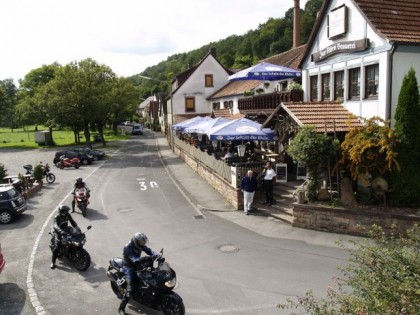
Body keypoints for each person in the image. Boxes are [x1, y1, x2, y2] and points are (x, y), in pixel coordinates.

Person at [118, 232, 158, 315]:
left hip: (137, 263)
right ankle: (121, 308)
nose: (143, 244)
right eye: (141, 243)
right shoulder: (128, 247)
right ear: (137, 241)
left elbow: (148, 250)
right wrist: (147, 258)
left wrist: (156, 255)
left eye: (143, 243)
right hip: (129, 266)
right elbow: (134, 259)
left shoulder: (139, 245)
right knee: (131, 289)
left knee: (151, 273)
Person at [50, 205, 78, 269]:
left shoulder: (68, 215)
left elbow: (72, 222)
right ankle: (53, 262)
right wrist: (61, 231)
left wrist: (76, 228)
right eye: (64, 211)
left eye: (66, 211)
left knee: (75, 237)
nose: (66, 213)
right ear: (60, 211)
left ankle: (72, 250)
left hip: (65, 228)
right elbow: (55, 225)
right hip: (58, 231)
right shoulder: (56, 217)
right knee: (57, 246)